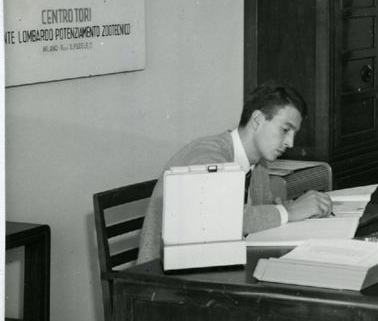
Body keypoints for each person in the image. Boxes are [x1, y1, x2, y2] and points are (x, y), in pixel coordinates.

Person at [138, 81, 333, 263]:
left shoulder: (259, 165)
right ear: (257, 120)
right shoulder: (207, 155)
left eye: (294, 134)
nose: (290, 142)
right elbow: (222, 220)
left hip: (217, 262)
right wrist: (290, 212)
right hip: (165, 274)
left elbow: (255, 218)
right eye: (285, 130)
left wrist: (291, 209)